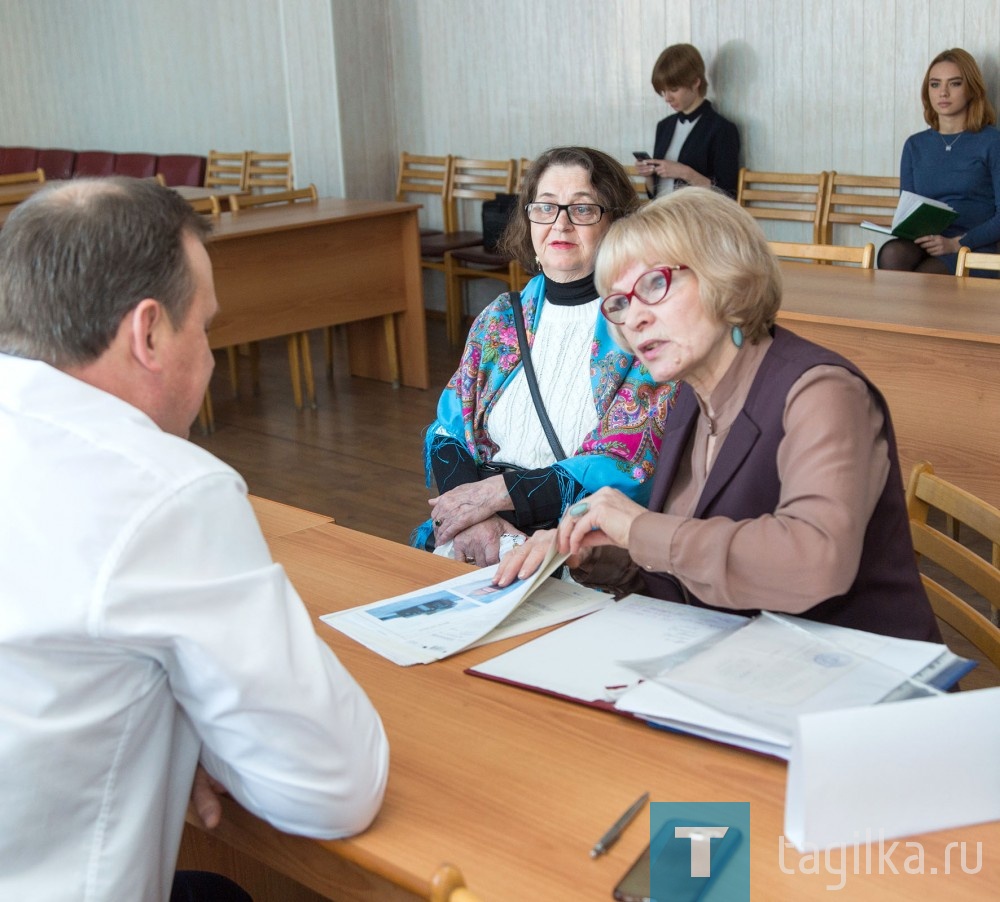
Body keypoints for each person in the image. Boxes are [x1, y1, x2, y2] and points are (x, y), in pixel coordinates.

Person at [0, 178, 389, 901]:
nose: (210, 356)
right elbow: (332, 787)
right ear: (148, 333)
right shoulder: (161, 489)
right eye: (205, 326)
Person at [496, 188, 941, 643]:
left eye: (654, 285)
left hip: (858, 674)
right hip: (746, 654)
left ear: (724, 275)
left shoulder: (821, 391)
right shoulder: (689, 396)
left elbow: (814, 560)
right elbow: (689, 567)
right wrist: (589, 553)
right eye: (620, 303)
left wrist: (639, 528)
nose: (636, 319)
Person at [412, 147, 675, 567]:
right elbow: (449, 432)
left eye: (583, 209)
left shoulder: (641, 327)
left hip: (576, 548)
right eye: (546, 207)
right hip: (471, 535)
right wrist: (479, 520)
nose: (561, 224)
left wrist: (499, 495)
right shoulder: (499, 317)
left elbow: (630, 464)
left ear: (616, 224)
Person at [879, 48, 1000, 275]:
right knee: (892, 254)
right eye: (935, 84)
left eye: (954, 84)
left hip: (973, 245)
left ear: (972, 90)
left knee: (926, 277)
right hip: (928, 241)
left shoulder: (992, 142)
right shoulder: (915, 145)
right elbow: (909, 210)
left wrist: (956, 243)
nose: (943, 92)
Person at [634, 43, 741, 199]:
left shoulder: (722, 129)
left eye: (674, 89)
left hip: (697, 218)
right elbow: (655, 195)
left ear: (695, 82)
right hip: (663, 214)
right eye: (663, 91)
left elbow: (727, 194)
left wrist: (684, 172)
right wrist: (649, 175)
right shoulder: (664, 126)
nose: (667, 98)